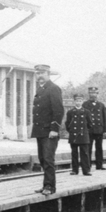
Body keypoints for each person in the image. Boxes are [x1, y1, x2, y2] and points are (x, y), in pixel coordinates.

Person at [31, 64, 64, 195]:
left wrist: (54, 128)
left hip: (49, 131)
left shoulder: (53, 88)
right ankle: (46, 184)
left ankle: (50, 187)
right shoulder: (40, 89)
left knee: (48, 158)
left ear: (48, 74)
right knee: (42, 159)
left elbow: (58, 110)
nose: (39, 76)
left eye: (42, 73)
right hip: (40, 130)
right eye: (37, 73)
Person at [65, 93, 92, 176]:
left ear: (82, 101)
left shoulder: (86, 112)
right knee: (74, 153)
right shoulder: (70, 112)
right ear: (74, 101)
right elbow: (67, 124)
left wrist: (84, 131)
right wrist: (72, 131)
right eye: (77, 101)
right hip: (74, 135)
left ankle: (86, 170)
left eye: (80, 101)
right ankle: (74, 170)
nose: (78, 102)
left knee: (85, 153)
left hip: (83, 135)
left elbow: (90, 124)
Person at [83, 85, 106, 171]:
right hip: (89, 130)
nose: (93, 95)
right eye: (91, 93)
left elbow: (104, 118)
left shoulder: (101, 105)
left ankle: (99, 165)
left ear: (97, 94)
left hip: (99, 129)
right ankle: (88, 165)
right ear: (89, 94)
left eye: (94, 93)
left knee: (99, 148)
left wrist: (105, 130)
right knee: (88, 148)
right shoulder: (85, 104)